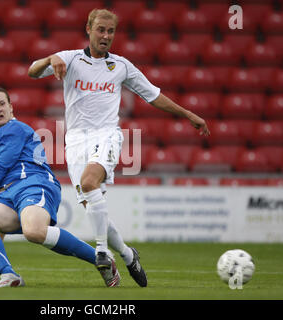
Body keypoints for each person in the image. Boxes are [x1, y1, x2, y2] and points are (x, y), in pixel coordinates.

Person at [28, 8, 210, 288]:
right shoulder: (70, 58)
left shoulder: (121, 66)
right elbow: (32, 71)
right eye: (100, 29)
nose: (105, 36)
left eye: (110, 31)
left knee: (89, 183)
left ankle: (102, 253)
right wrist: (49, 58)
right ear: (88, 28)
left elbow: (154, 95)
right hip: (75, 141)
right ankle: (127, 254)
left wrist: (188, 114)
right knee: (93, 204)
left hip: (108, 135)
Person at [0, 86, 120, 288]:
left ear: (11, 107)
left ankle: (100, 258)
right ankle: (9, 275)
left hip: (34, 185)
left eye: (2, 104)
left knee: (33, 231)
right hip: (8, 195)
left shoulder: (15, 129)